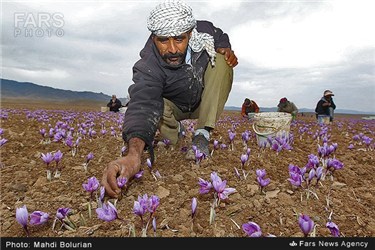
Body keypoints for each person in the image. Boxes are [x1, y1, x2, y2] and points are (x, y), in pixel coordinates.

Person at [101, 0, 238, 198]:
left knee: (222, 63)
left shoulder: (205, 31)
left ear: (190, 34)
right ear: (154, 38)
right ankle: (175, 134)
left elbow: (220, 35)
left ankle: (202, 134)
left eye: (179, 39)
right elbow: (142, 104)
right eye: (163, 40)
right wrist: (132, 156)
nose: (172, 49)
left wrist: (225, 47)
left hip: (203, 102)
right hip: (174, 108)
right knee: (157, 104)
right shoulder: (149, 63)